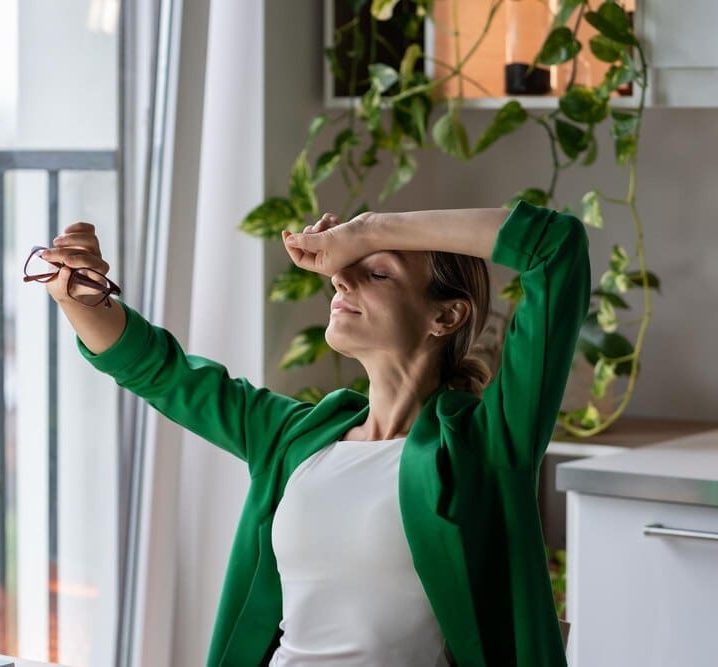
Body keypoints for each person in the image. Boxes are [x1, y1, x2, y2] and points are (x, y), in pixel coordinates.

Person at [33, 201, 591, 666]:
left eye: (375, 272)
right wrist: (78, 296)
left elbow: (555, 248)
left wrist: (368, 229)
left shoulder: (485, 451)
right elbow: (159, 370)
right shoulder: (295, 438)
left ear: (445, 317)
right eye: (347, 266)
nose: (339, 277)